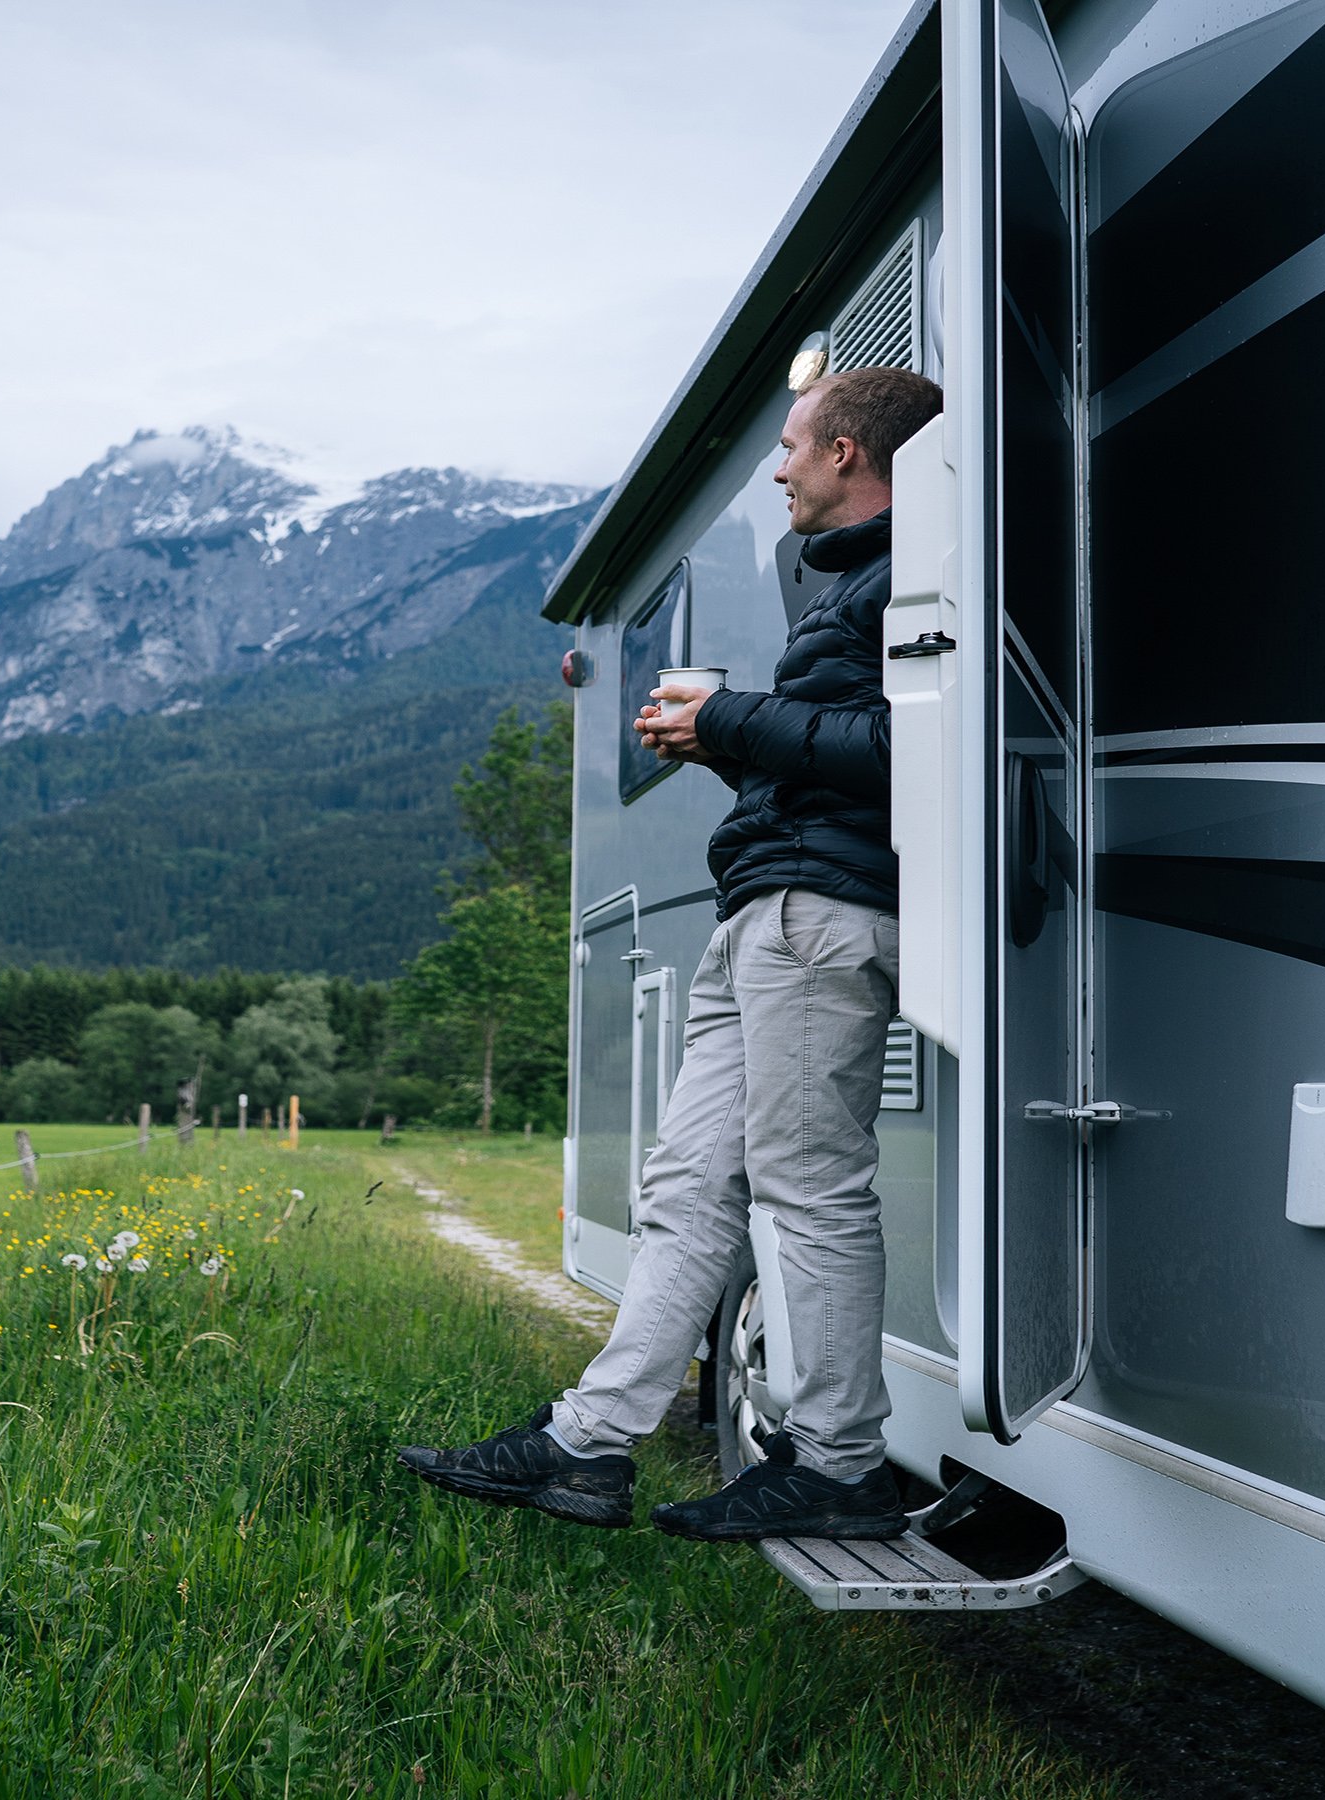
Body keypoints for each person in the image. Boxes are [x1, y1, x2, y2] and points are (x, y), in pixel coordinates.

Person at [398, 364, 945, 1541]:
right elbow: (829, 758)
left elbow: (912, 748)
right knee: (689, 1185)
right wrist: (721, 741)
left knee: (809, 1187)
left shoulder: (915, 576)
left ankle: (845, 1462)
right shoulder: (848, 587)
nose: (778, 463)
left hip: (823, 916)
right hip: (766, 911)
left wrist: (731, 719)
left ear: (851, 454)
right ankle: (588, 1447)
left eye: (794, 443)